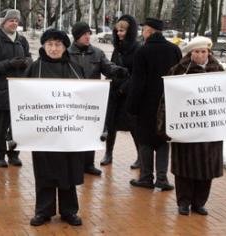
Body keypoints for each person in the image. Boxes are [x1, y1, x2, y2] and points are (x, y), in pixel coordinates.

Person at [24, 29, 85, 227]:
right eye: (49, 44)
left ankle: (69, 211)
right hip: (43, 131)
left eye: (58, 44)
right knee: (44, 171)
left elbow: (86, 97)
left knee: (69, 171)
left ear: (65, 47)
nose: (53, 48)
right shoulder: (35, 68)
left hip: (69, 131)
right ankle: (43, 211)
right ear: (43, 46)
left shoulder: (75, 68)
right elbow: (23, 99)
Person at [160, 36, 225, 215]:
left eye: (203, 51)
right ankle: (184, 201)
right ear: (191, 53)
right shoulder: (179, 71)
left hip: (210, 130)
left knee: (207, 169)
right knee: (184, 168)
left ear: (208, 53)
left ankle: (199, 202)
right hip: (186, 128)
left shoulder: (218, 71)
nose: (200, 55)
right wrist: (165, 125)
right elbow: (166, 100)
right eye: (196, 52)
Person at [127, 18, 182, 191]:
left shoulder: (142, 52)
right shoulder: (174, 50)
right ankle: (162, 178)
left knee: (145, 141)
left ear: (149, 31)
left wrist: (132, 106)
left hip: (146, 105)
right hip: (167, 104)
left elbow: (138, 82)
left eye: (143, 30)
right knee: (163, 140)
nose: (142, 33)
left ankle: (146, 177)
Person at [68, 22, 128, 176]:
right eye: (84, 34)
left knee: (90, 133)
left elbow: (107, 66)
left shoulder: (97, 53)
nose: (88, 36)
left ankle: (88, 164)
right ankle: (73, 164)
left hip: (91, 100)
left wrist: (118, 70)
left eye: (89, 33)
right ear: (76, 37)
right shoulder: (67, 53)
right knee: (73, 132)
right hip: (72, 100)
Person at [0, 9, 32, 168]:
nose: (14, 23)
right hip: (2, 91)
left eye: (16, 21)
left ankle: (14, 154)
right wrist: (9, 64)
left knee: (17, 126)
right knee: (0, 126)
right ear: (3, 23)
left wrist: (26, 62)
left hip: (20, 90)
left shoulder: (22, 41)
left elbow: (29, 58)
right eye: (11, 20)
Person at [100, 15, 141, 168]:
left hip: (128, 92)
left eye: (122, 31)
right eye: (117, 31)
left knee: (133, 126)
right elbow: (112, 67)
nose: (119, 34)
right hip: (114, 91)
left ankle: (140, 157)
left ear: (130, 31)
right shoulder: (118, 48)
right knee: (111, 124)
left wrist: (124, 88)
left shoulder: (137, 48)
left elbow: (137, 73)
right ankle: (108, 153)